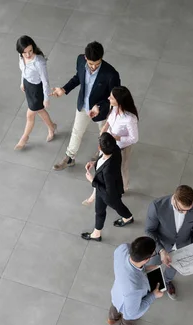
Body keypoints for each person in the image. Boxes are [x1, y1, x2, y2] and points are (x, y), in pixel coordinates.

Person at [50, 41, 121, 170]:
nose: (93, 67)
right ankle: (69, 157)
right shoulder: (80, 60)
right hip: (83, 105)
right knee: (77, 131)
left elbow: (115, 98)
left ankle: (101, 154)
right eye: (90, 63)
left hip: (102, 111)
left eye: (97, 64)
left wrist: (99, 106)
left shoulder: (111, 74)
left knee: (104, 135)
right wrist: (64, 89)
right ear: (85, 58)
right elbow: (78, 77)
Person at [145, 185, 193, 300]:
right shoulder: (157, 206)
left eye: (189, 209)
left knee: (174, 268)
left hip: (182, 246)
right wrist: (161, 250)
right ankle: (156, 286)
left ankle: (167, 281)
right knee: (152, 266)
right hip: (160, 245)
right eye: (182, 210)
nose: (186, 213)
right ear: (174, 200)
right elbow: (149, 230)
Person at [83, 86, 139, 205]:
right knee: (101, 168)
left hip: (121, 147)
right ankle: (94, 193)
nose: (109, 98)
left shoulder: (130, 119)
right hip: (108, 144)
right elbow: (110, 120)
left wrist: (117, 137)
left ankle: (123, 188)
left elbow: (134, 138)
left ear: (119, 100)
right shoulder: (114, 108)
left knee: (122, 168)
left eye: (112, 97)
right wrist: (104, 128)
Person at [109, 236, 164, 325]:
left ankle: (112, 318)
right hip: (127, 303)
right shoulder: (135, 287)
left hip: (116, 292)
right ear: (145, 259)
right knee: (127, 323)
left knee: (114, 305)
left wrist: (145, 268)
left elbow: (130, 265)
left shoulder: (123, 248)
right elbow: (132, 313)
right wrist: (154, 295)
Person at [81, 132, 134, 242]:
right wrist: (94, 163)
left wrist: (92, 180)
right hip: (115, 186)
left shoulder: (107, 171)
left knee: (108, 209)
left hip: (107, 193)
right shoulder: (115, 149)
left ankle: (128, 218)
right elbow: (103, 160)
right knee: (116, 206)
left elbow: (108, 192)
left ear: (99, 147)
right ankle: (97, 233)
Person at [14, 35, 57, 150]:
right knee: (40, 110)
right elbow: (23, 70)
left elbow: (45, 80)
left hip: (37, 89)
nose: (28, 55)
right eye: (25, 52)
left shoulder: (39, 62)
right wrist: (22, 82)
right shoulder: (21, 56)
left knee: (30, 114)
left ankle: (24, 137)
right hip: (28, 86)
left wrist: (46, 98)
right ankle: (51, 127)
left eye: (30, 51)